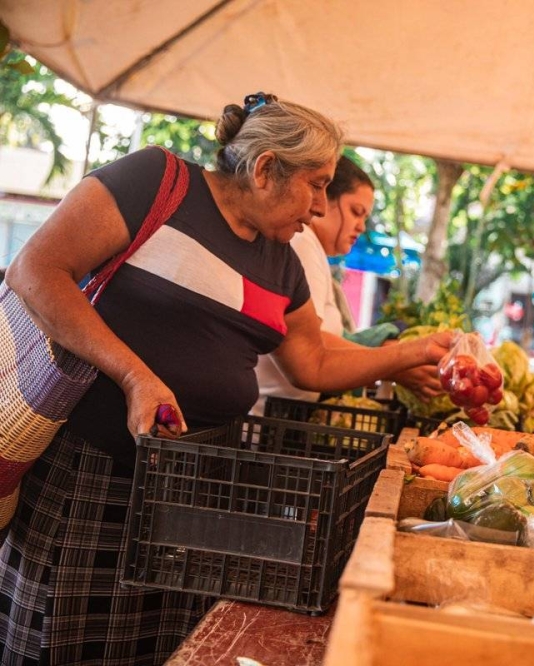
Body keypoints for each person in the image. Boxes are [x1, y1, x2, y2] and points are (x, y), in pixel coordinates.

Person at [0, 93, 451, 665]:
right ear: (265, 169)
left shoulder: (282, 260)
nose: (319, 206)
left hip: (198, 488)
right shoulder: (156, 182)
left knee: (169, 649)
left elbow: (311, 361)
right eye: (315, 183)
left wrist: (410, 353)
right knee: (63, 646)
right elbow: (35, 270)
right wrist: (135, 376)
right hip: (96, 476)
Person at [253, 155, 441, 413]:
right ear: (324, 197)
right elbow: (312, 346)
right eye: (356, 212)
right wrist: (398, 361)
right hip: (269, 417)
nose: (361, 227)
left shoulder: (312, 250)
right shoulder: (302, 243)